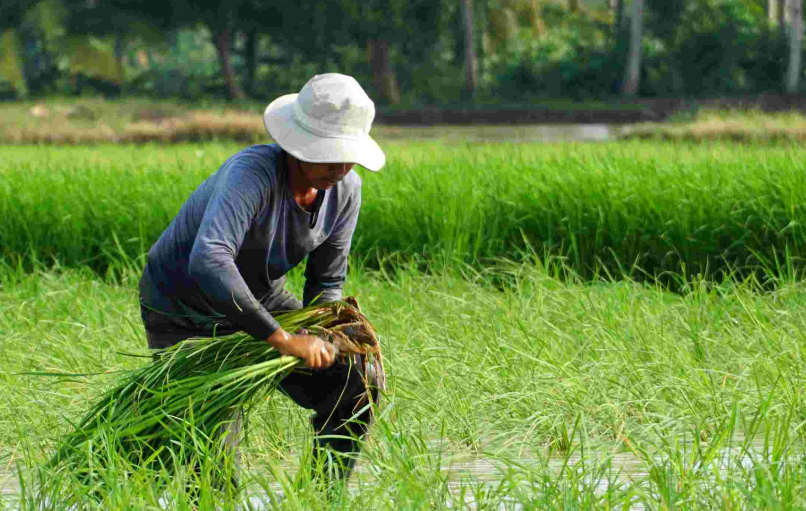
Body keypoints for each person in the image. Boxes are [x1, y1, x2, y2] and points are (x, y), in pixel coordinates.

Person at [138, 73, 386, 491]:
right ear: (297, 144)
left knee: (357, 382)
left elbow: (327, 280)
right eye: (329, 155)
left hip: (260, 296)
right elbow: (210, 260)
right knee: (213, 457)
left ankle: (320, 498)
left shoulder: (345, 189)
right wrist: (284, 340)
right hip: (184, 309)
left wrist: (327, 329)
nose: (340, 167)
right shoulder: (251, 175)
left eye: (347, 156)